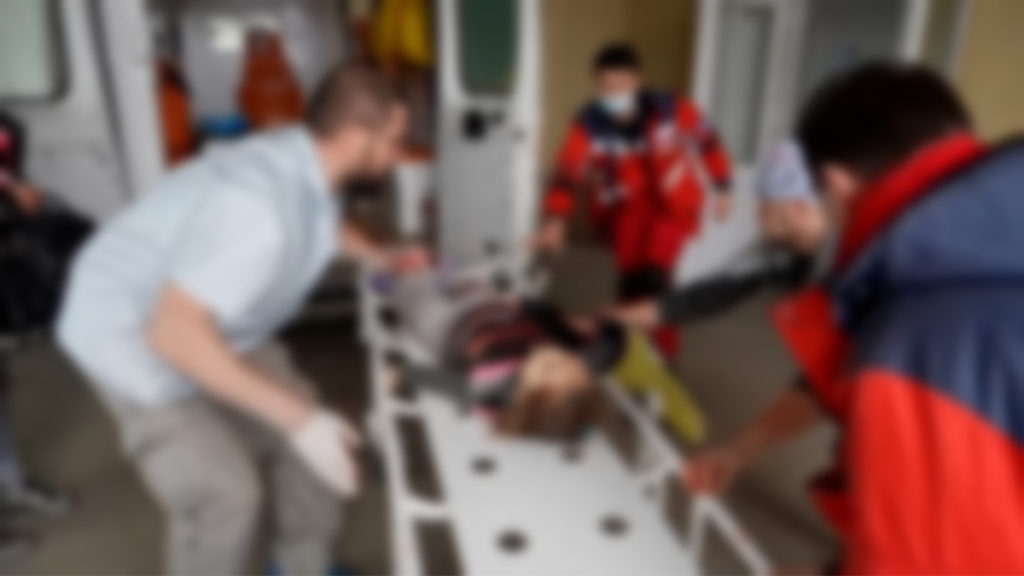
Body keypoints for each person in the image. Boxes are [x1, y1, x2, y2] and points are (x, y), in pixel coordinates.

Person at [57, 64, 425, 575]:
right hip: (130, 333)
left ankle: (302, 566)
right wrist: (299, 420)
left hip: (211, 317)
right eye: (392, 142)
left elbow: (324, 219)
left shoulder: (309, 157)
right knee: (226, 495)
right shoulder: (258, 211)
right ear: (353, 137)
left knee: (315, 431)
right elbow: (175, 334)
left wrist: (381, 258)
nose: (396, 156)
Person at [704, 62, 1024, 573]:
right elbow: (832, 372)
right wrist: (740, 451)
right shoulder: (988, 250)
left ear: (836, 184)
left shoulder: (913, 341)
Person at [533, 42, 733, 359]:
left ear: (638, 80)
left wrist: (723, 186)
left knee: (653, 279)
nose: (613, 94)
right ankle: (627, 348)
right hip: (625, 210)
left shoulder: (671, 108)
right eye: (605, 87)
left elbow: (708, 140)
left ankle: (663, 354)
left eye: (620, 85)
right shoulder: (588, 122)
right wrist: (555, 220)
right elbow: (567, 169)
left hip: (671, 207)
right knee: (629, 281)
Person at [384, 270, 707, 443]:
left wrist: (402, 372)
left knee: (415, 294)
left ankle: (389, 282)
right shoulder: (562, 368)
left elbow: (452, 387)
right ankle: (436, 272)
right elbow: (605, 343)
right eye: (569, 361)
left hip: (452, 326)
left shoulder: (498, 382)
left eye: (553, 366)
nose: (558, 355)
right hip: (495, 309)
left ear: (533, 392)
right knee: (463, 279)